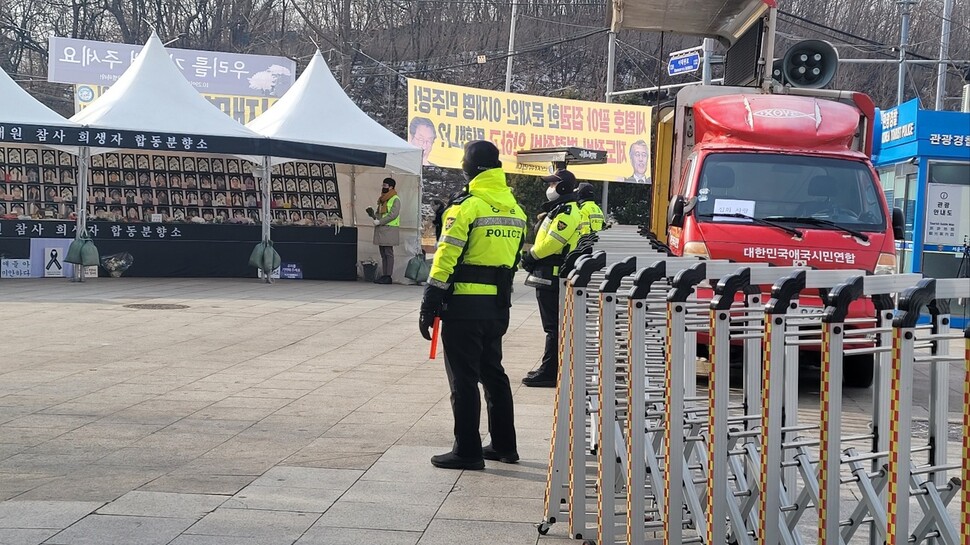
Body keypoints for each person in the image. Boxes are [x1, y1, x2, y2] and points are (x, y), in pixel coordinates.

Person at [418, 140, 526, 470]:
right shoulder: (515, 210)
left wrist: (430, 299)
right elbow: (514, 259)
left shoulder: (466, 207)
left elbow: (446, 256)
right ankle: (505, 445)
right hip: (497, 307)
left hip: (463, 306)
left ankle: (467, 450)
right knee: (493, 374)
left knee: (463, 379)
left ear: (471, 168)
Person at [519, 169, 583, 387]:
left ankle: (550, 372)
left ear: (564, 187)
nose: (550, 188)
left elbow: (553, 242)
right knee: (555, 327)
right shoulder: (559, 209)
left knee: (554, 328)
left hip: (554, 276)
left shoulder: (566, 212)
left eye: (553, 184)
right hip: (551, 275)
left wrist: (531, 256)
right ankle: (551, 369)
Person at [372, 177, 401, 284]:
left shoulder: (395, 199)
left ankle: (388, 276)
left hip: (390, 229)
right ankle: (384, 275)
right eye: (383, 185)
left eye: (385, 186)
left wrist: (380, 221)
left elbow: (393, 214)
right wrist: (374, 216)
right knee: (383, 253)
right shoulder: (382, 199)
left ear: (391, 187)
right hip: (382, 228)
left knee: (388, 253)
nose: (383, 187)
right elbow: (378, 212)